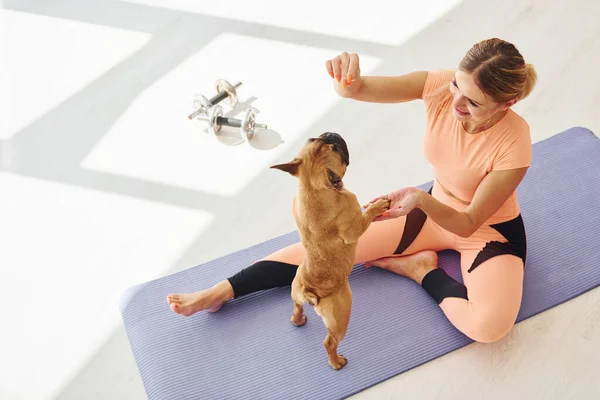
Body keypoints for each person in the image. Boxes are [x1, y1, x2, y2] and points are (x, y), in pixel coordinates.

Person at [167, 38, 537, 343]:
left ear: (507, 103)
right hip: (427, 211)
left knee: (490, 327)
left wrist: (420, 198)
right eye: (458, 85)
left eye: (472, 102)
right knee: (325, 246)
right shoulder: (441, 87)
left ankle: (421, 271)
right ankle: (221, 292)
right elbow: (358, 89)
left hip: (487, 234)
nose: (454, 102)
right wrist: (347, 79)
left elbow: (469, 222)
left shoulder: (515, 143)